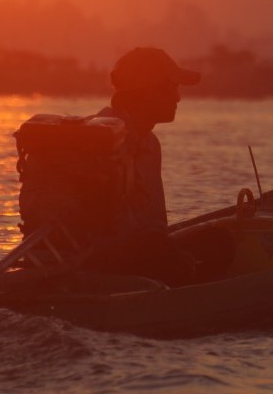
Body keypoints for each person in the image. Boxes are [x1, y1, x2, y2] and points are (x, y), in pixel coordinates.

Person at [87, 47, 235, 285]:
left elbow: (153, 225)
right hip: (103, 258)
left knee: (218, 240)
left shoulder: (149, 143)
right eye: (172, 88)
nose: (178, 98)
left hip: (141, 249)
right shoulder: (104, 140)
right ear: (147, 92)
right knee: (168, 253)